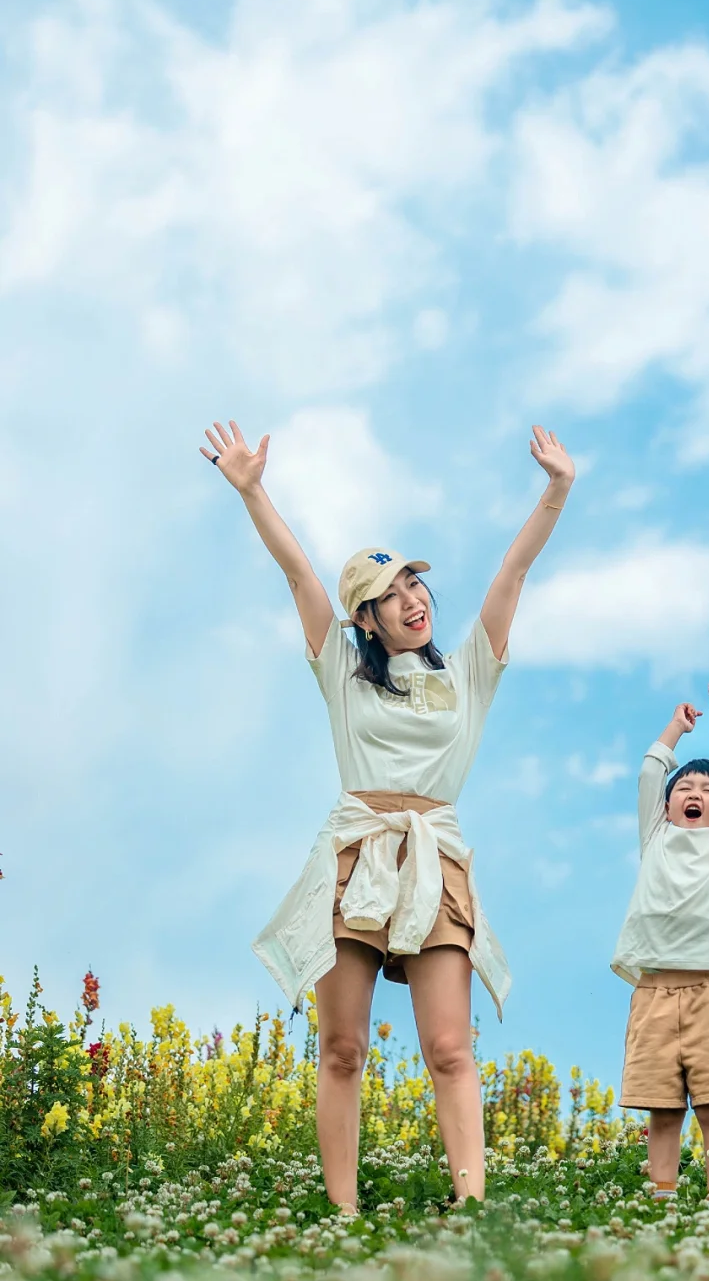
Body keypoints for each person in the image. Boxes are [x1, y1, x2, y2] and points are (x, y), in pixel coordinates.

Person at [198, 419, 575, 1210]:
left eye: (415, 586)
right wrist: (253, 490)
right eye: (388, 596)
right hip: (357, 850)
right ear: (363, 620)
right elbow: (301, 576)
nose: (411, 601)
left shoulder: (469, 672)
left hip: (435, 855)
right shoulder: (344, 672)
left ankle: (471, 1205)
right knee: (342, 1048)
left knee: (447, 1046)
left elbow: (511, 572)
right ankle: (343, 1213)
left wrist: (556, 491)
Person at [611, 673, 709, 1203]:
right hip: (652, 994)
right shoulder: (656, 838)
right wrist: (674, 729)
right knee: (663, 1110)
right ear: (669, 805)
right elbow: (652, 773)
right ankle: (662, 1197)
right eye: (685, 791)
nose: (694, 794)